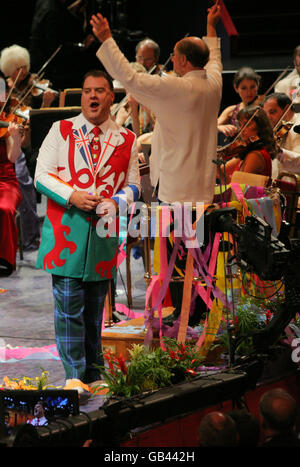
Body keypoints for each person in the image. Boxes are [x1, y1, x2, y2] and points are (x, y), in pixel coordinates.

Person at [91, 3, 222, 327]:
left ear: (184, 61)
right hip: (202, 186)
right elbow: (216, 58)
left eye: (176, 55)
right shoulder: (214, 83)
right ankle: (199, 310)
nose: (172, 60)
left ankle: (185, 313)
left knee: (179, 255)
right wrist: (211, 26)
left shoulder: (176, 87)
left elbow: (131, 79)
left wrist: (107, 39)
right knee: (199, 250)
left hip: (177, 187)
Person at [34, 70, 140, 393]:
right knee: (69, 308)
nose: (93, 96)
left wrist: (117, 200)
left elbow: (134, 184)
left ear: (111, 97)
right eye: (87, 90)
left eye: (100, 91)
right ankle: (74, 376)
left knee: (95, 311)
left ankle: (95, 374)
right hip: (65, 233)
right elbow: (41, 175)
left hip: (104, 235)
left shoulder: (127, 139)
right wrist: (72, 196)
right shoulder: (61, 130)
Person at [220, 105, 277, 184]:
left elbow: (237, 191)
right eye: (240, 125)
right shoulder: (247, 149)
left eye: (247, 125)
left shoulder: (255, 155)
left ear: (260, 127)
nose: (242, 129)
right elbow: (222, 170)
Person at [0, 110, 23, 276]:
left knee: (5, 208)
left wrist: (15, 137)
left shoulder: (6, 123)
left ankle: (4, 259)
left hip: (5, 181)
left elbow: (13, 157)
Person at [218, 66, 262, 141]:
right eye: (244, 88)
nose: (249, 92)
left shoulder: (264, 106)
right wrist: (220, 127)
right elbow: (212, 126)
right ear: (236, 88)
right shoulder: (231, 110)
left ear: (258, 85)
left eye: (252, 87)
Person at [263, 92, 300, 178]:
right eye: (266, 113)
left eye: (272, 112)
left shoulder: (298, 125)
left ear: (286, 108)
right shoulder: (277, 129)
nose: (268, 117)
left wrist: (278, 152)